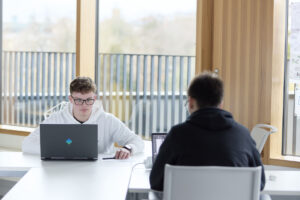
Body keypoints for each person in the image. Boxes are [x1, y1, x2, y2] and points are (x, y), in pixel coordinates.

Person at [149, 72, 266, 192]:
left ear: (191, 102)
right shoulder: (243, 135)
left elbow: (156, 182)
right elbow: (259, 183)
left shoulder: (177, 135)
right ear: (221, 104)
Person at [22, 77, 144, 159]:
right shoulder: (56, 119)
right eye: (79, 100)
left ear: (94, 99)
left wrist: (128, 149)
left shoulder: (107, 120)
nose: (84, 105)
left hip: (100, 172)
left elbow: (137, 141)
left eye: (89, 100)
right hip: (64, 172)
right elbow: (27, 145)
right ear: (71, 99)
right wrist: (59, 151)